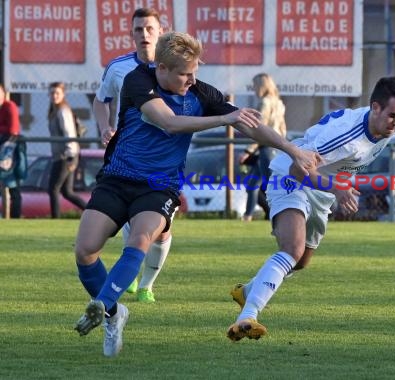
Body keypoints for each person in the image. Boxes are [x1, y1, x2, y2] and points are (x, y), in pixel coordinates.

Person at [73, 31, 319, 357]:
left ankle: (101, 306)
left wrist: (291, 148)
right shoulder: (138, 80)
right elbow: (169, 122)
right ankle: (115, 314)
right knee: (85, 251)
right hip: (117, 178)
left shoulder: (200, 91)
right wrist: (222, 118)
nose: (192, 80)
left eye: (195, 72)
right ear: (162, 68)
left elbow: (248, 123)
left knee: (141, 240)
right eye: (185, 74)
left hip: (160, 185)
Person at [226, 76, 395, 341]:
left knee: (301, 261)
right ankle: (247, 316)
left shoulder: (386, 120)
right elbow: (298, 169)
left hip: (322, 188)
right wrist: (337, 189)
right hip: (291, 177)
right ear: (375, 108)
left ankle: (248, 291)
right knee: (292, 249)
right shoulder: (344, 137)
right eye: (393, 116)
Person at [93, 7, 167, 302]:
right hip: (127, 156)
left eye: (150, 28)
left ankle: (147, 284)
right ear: (131, 33)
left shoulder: (172, 67)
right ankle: (132, 277)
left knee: (161, 230)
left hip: (164, 158)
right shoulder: (118, 68)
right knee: (131, 218)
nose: (144, 34)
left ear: (161, 32)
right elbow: (101, 101)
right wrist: (104, 126)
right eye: (138, 29)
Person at [240, 73, 287, 222]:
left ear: (261, 85)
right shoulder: (279, 103)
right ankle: (248, 216)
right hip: (276, 147)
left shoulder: (264, 103)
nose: (253, 88)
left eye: (254, 85)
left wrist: (249, 150)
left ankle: (278, 214)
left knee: (267, 186)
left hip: (266, 147)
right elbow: (282, 128)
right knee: (253, 184)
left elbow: (259, 128)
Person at [47, 82, 87, 218]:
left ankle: (55, 220)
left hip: (66, 156)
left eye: (57, 93)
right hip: (60, 156)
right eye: (52, 93)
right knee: (67, 192)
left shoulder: (63, 110)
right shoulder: (54, 110)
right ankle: (91, 211)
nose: (54, 96)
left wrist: (71, 156)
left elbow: (69, 133)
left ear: (63, 94)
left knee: (53, 188)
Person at [0, 84, 23, 218]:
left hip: (10, 151)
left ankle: (15, 216)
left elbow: (13, 130)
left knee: (12, 184)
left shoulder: (10, 106)